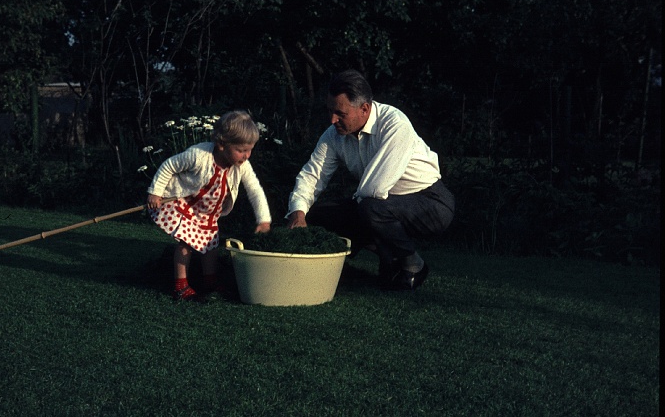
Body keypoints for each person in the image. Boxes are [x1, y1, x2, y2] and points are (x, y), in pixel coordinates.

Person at [286, 69, 454, 291]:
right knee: (316, 213)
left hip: (430, 204)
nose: (332, 119)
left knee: (370, 208)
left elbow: (375, 188)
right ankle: (375, 259)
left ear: (364, 108)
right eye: (330, 111)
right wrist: (298, 212)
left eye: (340, 113)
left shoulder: (395, 124)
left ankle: (413, 263)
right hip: (382, 203)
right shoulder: (333, 134)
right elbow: (312, 175)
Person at [147, 110, 272, 301]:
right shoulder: (199, 155)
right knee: (186, 244)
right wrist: (155, 192)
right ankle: (180, 286)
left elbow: (255, 190)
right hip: (187, 204)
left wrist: (263, 220)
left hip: (207, 214)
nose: (247, 156)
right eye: (241, 150)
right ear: (221, 144)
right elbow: (169, 165)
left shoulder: (242, 165)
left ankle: (210, 281)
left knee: (211, 246)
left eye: (250, 149)